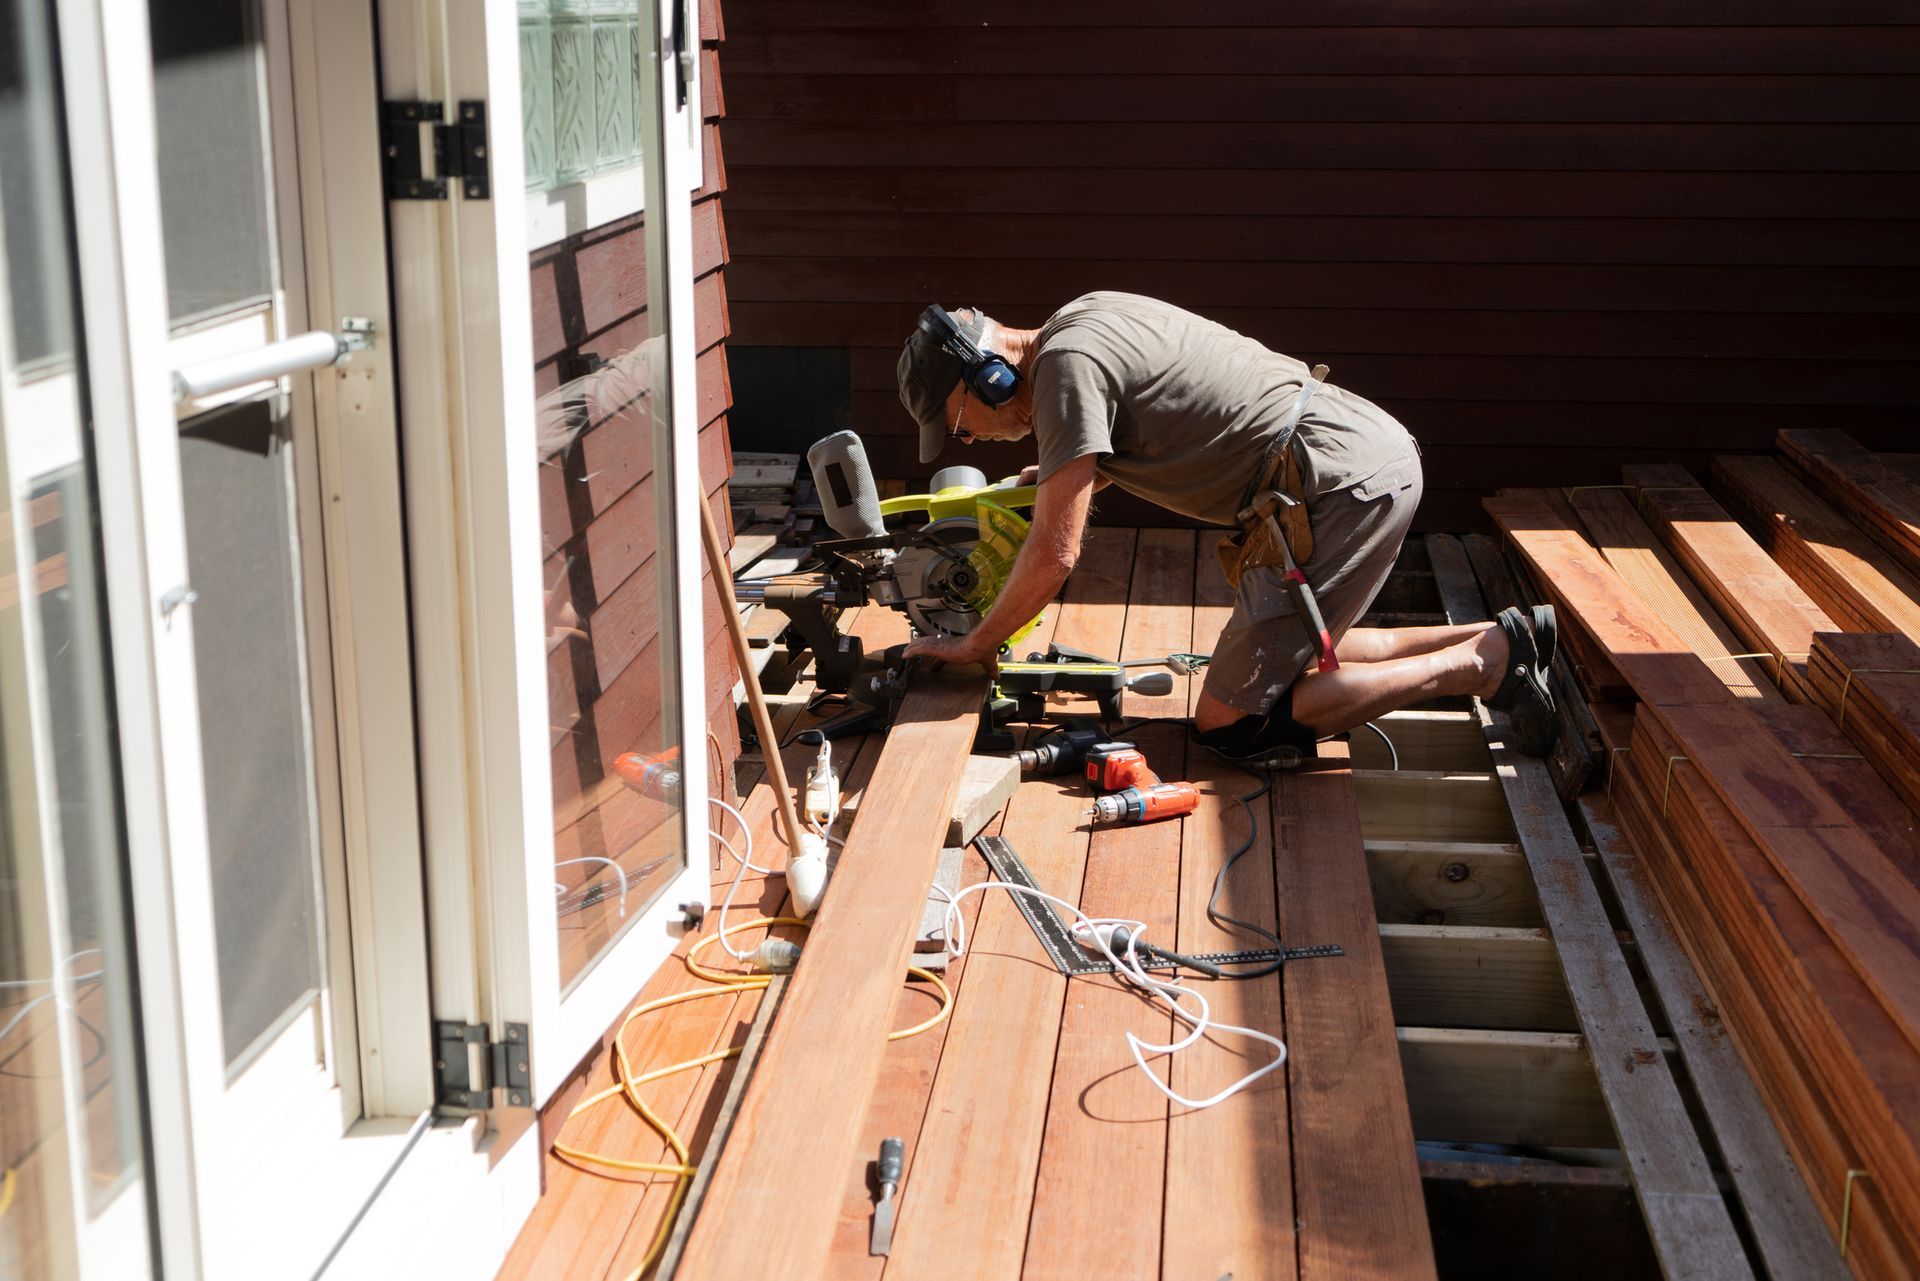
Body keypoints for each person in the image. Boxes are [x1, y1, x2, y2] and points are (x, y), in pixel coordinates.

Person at [894, 292, 1558, 764]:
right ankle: (1497, 635)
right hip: (1351, 457)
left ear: (987, 375)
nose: (971, 441)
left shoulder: (1066, 373)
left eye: (959, 424)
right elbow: (1164, 416)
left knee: (1231, 721)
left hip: (1334, 487)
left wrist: (976, 642)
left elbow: (1052, 556)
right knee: (1292, 661)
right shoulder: (1081, 321)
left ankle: (1478, 665)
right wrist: (1064, 476)